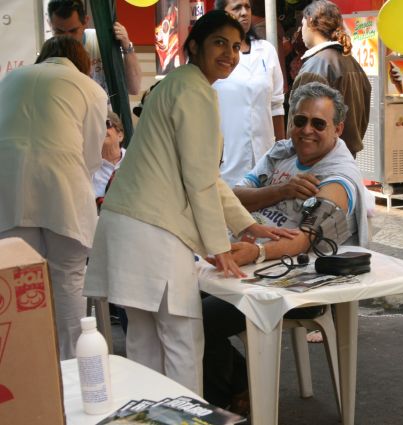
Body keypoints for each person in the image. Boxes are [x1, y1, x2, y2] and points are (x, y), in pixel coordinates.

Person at [83, 11, 295, 395]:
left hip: (127, 224)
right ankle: (185, 417)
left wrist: (247, 225)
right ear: (194, 45)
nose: (230, 54)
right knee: (181, 339)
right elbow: (200, 180)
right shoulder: (195, 91)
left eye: (236, 46)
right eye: (219, 43)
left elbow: (204, 177)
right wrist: (219, 246)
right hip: (154, 231)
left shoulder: (176, 84)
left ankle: (151, 414)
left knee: (144, 341)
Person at [201, 81, 369, 413]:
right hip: (249, 265)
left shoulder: (339, 177)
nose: (306, 130)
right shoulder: (282, 151)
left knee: (198, 320)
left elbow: (306, 239)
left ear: (338, 129)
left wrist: (258, 252)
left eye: (318, 123)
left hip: (294, 283)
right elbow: (233, 197)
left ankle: (228, 400)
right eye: (300, 120)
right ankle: (240, 385)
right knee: (176, 306)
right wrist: (281, 191)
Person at [0, 36, 108, 360]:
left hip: (9, 191)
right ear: (82, 62)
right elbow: (92, 155)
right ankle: (73, 366)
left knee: (21, 283)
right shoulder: (89, 88)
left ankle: (28, 367)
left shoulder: (10, 79)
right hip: (64, 193)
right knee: (68, 277)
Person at [213, 0, 286, 186]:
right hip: (226, 162)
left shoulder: (266, 50)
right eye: (237, 8)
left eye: (247, 7)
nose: (244, 12)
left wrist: (282, 153)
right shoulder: (211, 55)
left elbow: (276, 105)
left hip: (265, 159)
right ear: (222, 13)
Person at [290, 0, 371, 157]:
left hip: (318, 160)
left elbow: (300, 124)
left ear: (310, 22)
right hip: (344, 157)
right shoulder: (351, 62)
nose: (301, 30)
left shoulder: (317, 65)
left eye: (302, 24)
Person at [48, 0, 142, 95]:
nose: (67, 38)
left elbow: (134, 88)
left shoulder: (102, 41)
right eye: (59, 31)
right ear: (50, 25)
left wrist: (127, 46)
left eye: (73, 31)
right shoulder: (48, 55)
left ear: (85, 22)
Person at [93, 111, 126, 212]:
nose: (101, 129)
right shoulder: (88, 168)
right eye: (97, 127)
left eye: (107, 124)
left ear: (120, 135)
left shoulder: (135, 160)